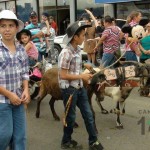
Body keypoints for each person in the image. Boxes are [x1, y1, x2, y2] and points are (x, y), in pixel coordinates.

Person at [58, 21, 104, 150]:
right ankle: (66, 142)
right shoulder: (66, 53)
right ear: (75, 37)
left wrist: (85, 65)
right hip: (69, 90)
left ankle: (93, 142)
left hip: (79, 87)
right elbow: (63, 75)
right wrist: (81, 76)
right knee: (70, 118)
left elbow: (73, 66)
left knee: (88, 115)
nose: (85, 37)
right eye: (83, 35)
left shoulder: (77, 50)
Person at [0, 10, 30, 150]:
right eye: (3, 25)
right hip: (2, 101)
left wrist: (26, 90)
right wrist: (9, 94)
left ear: (16, 28)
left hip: (18, 99)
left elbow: (24, 73)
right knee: (5, 135)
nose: (7, 29)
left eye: (10, 25)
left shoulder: (21, 49)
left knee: (20, 137)